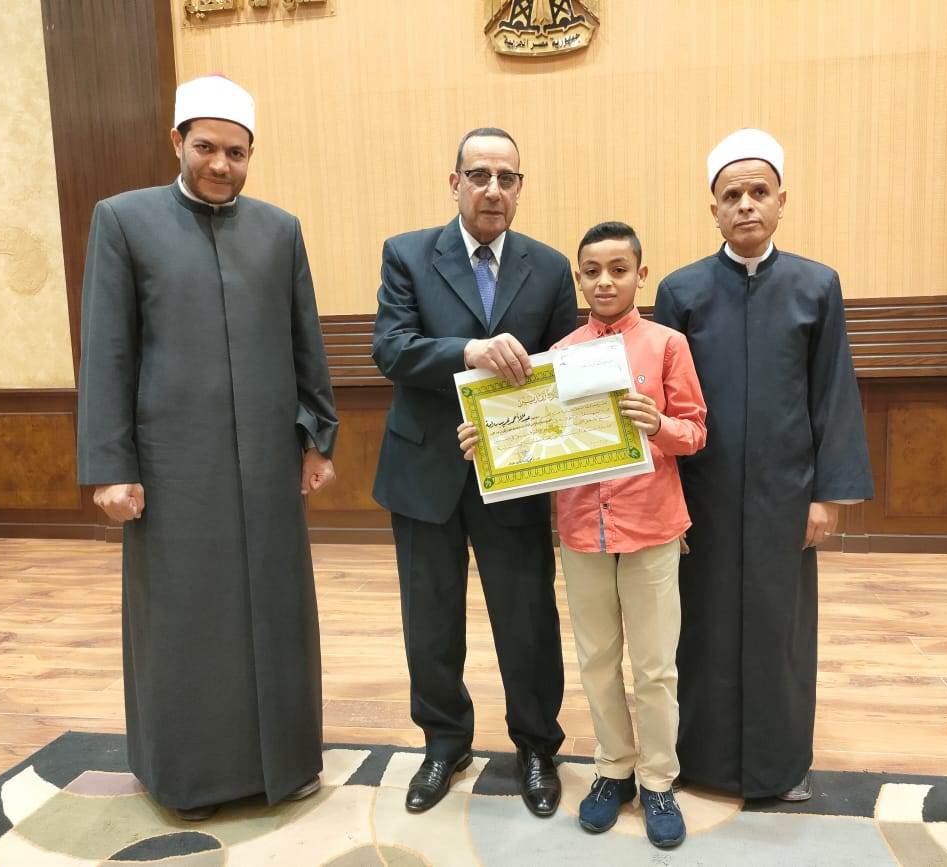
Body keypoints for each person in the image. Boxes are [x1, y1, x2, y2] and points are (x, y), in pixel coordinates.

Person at [77, 75, 338, 821]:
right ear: (177, 142)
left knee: (277, 610)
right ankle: (187, 779)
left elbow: (305, 341)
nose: (221, 164)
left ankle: (286, 765)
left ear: (252, 154)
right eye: (206, 148)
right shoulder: (123, 220)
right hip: (171, 466)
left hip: (268, 460)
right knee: (183, 615)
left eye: (236, 152)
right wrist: (110, 466)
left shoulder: (279, 230)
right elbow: (108, 351)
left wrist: (318, 437)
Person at [459, 222, 707, 847]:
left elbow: (696, 430)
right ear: (578, 279)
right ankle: (612, 769)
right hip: (580, 530)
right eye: (592, 271)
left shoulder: (667, 345)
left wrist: (660, 426)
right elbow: (534, 434)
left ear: (641, 275)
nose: (605, 282)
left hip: (652, 527)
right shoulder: (559, 355)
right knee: (596, 660)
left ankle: (658, 780)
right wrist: (489, 442)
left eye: (618, 269)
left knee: (654, 666)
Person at [654, 129, 874, 802]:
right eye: (732, 195)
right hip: (703, 494)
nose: (745, 205)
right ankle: (702, 760)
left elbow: (832, 392)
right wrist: (667, 501)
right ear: (713, 209)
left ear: (781, 200)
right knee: (702, 623)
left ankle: (779, 765)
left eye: (758, 192)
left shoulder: (816, 285)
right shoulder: (681, 290)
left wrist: (826, 496)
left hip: (787, 493)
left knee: (781, 627)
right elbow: (661, 402)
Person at [371, 127, 577, 817]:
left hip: (514, 471)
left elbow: (558, 373)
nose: (493, 189)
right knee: (429, 620)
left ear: (520, 187)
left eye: (506, 178)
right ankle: (444, 743)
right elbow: (392, 348)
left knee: (528, 618)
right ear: (454, 182)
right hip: (424, 467)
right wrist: (469, 352)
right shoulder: (407, 254)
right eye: (479, 175)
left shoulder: (549, 268)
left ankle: (537, 746)